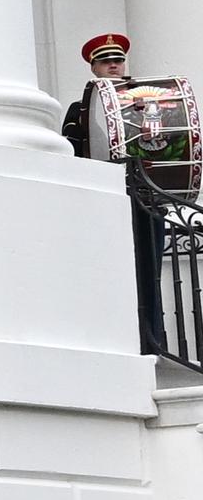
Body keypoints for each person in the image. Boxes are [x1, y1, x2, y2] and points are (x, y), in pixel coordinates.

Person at [63, 33, 168, 355]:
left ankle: (152, 341)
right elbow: (73, 149)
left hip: (145, 198)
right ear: (93, 68)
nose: (113, 65)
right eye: (105, 61)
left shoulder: (148, 101)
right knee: (109, 270)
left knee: (148, 273)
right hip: (105, 200)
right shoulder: (81, 107)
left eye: (118, 60)